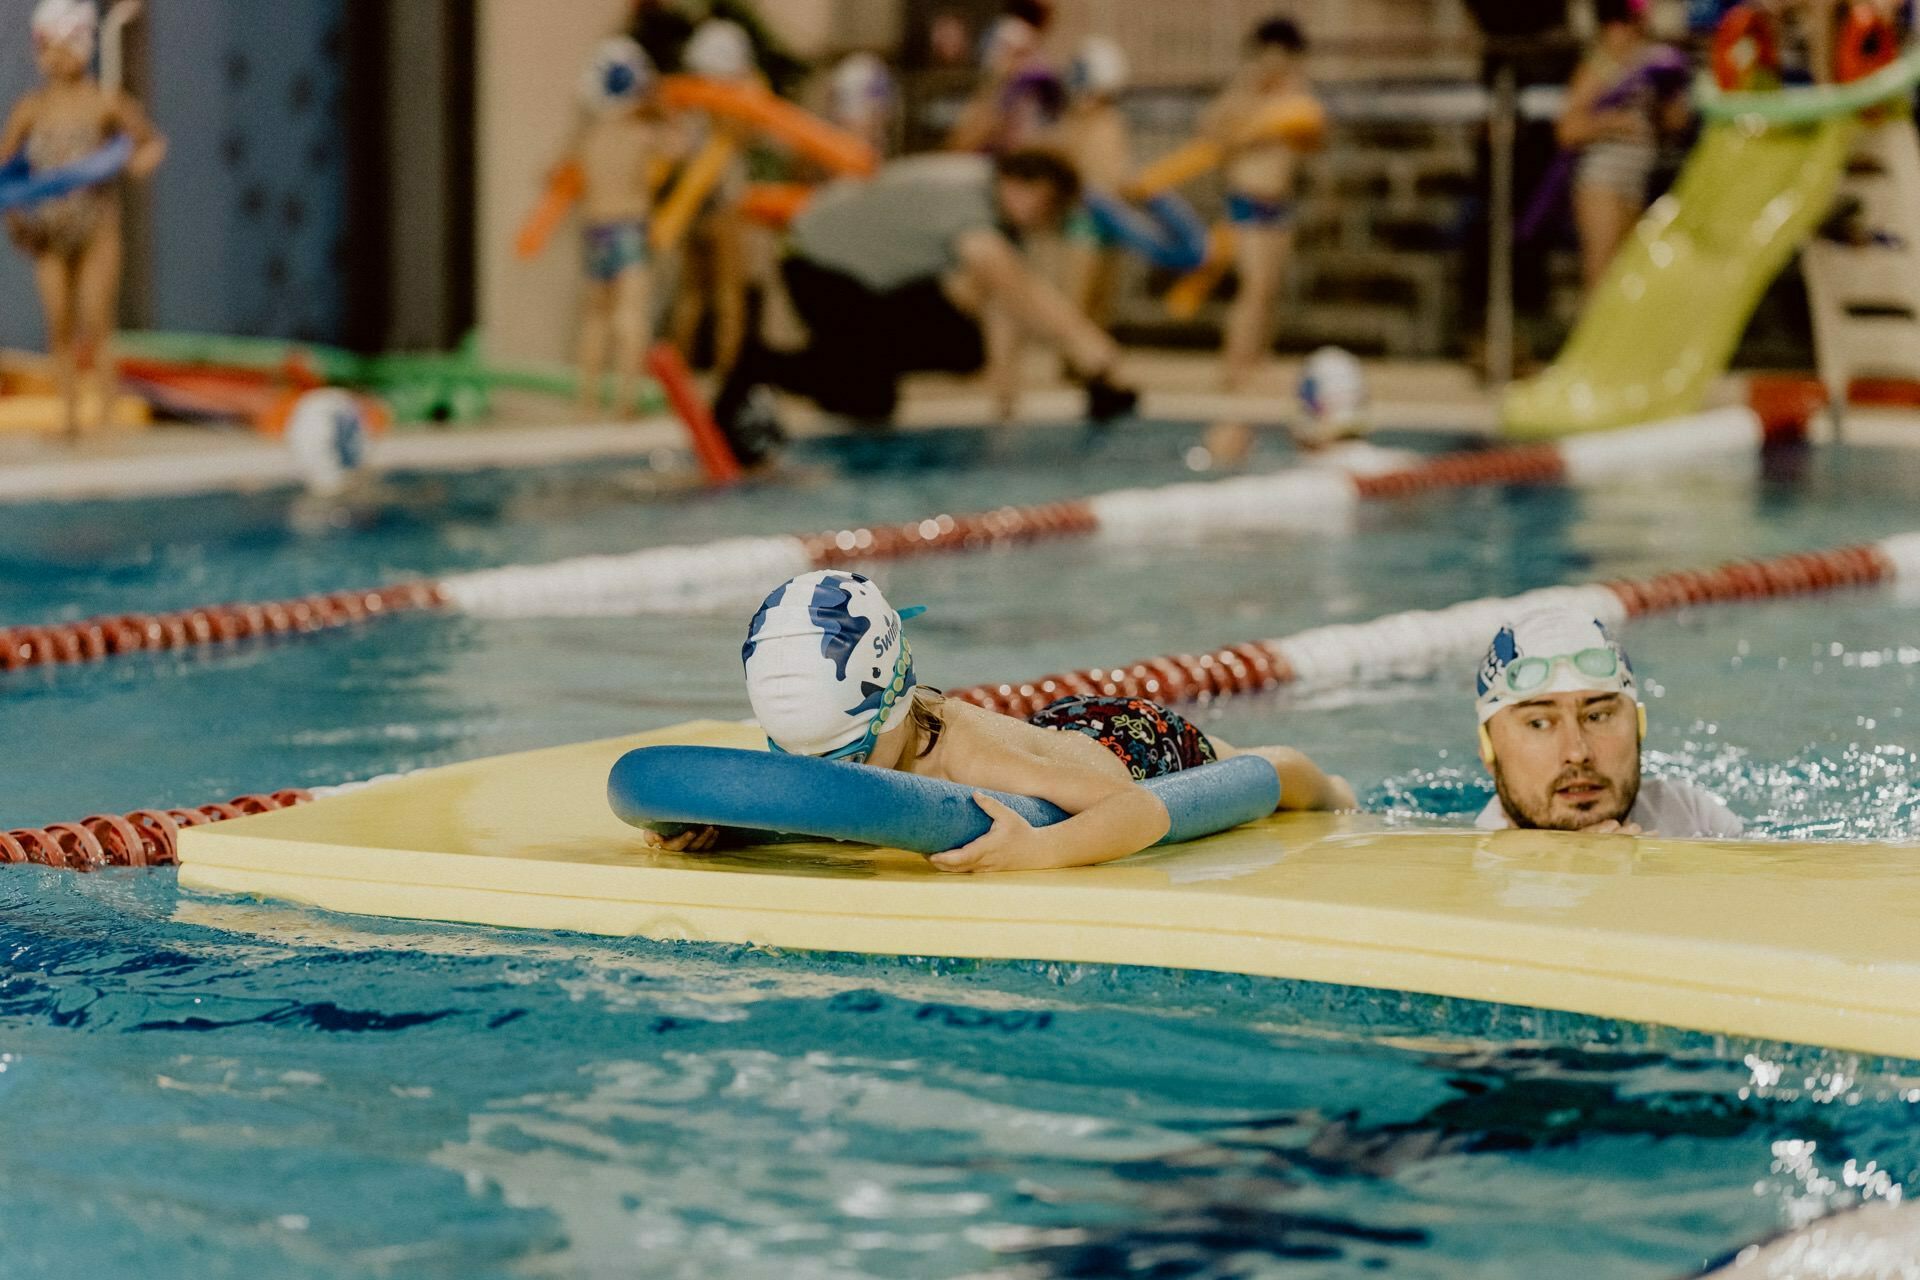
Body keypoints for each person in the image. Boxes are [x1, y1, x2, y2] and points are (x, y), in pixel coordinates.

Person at [643, 571, 1354, 872]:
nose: (833, 777)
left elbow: (1136, 810)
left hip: (1135, 746)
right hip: (1055, 728)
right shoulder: (838, 735)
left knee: (1270, 771)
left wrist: (1040, 855)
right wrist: (730, 829)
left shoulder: (968, 758)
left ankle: (1339, 791)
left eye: (853, 755)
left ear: (893, 701)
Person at [714, 147, 1141, 459]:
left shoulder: (982, 190)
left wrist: (1007, 406)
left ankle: (828, 375)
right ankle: (762, 363)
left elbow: (1005, 304)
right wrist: (1097, 357)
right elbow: (1021, 293)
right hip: (819, 264)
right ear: (1026, 187)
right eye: (1048, 208)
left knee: (880, 395)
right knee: (890, 379)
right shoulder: (969, 199)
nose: (1045, 221)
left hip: (857, 272)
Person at [2, 0, 165, 440]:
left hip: (97, 231)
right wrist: (16, 218)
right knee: (58, 325)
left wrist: (133, 163)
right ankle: (69, 418)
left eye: (64, 45)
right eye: (47, 47)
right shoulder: (31, 110)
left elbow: (149, 143)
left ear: (83, 45)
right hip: (49, 234)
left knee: (97, 324)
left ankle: (109, 417)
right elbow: (5, 175)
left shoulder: (105, 103)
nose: (56, 57)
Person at [1474, 607, 1744, 836]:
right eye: (1539, 723)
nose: (1577, 753)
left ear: (1639, 726)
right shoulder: (1469, 869)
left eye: (1597, 717)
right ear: (1488, 750)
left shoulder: (1691, 817)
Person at [1198, 17, 1322, 393]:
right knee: (1254, 285)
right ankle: (1234, 366)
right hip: (1247, 199)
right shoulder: (1243, 94)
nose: (1278, 63)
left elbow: (1313, 141)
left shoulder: (1298, 98)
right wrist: (1253, 125)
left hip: (1279, 201)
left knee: (1270, 289)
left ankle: (1258, 359)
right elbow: (1211, 134)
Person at [559, 37, 680, 417]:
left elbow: (556, 169)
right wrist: (664, 109)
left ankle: (586, 399)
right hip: (627, 228)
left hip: (595, 230)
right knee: (630, 314)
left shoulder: (589, 135)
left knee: (594, 317)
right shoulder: (641, 135)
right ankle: (625, 400)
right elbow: (679, 149)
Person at [1556, 0, 1688, 292]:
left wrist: (1671, 93)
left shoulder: (1647, 63)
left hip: (1635, 180)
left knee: (1627, 278)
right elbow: (1568, 129)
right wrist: (1613, 123)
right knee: (1600, 274)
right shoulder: (1600, 65)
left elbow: (1674, 123)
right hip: (1601, 182)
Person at [664, 18, 755, 379]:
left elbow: (676, 155)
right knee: (729, 297)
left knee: (692, 296)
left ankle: (677, 374)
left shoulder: (688, 106)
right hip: (724, 209)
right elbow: (747, 138)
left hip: (692, 209)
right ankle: (728, 374)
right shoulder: (734, 107)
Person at [1057, 35, 1133, 328]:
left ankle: (1094, 351)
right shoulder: (1075, 121)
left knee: (1103, 290)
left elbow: (1117, 167)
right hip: (1085, 214)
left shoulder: (1113, 120)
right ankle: (1072, 354)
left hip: (1113, 214)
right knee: (1078, 288)